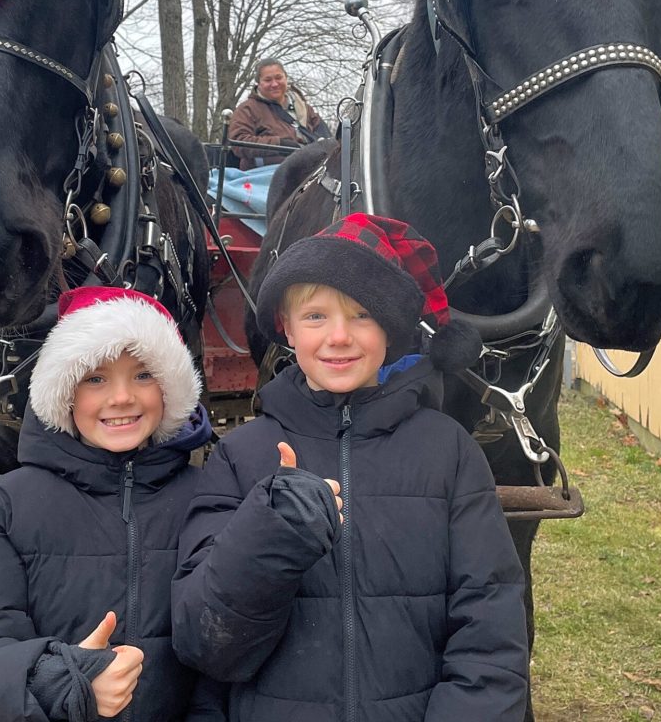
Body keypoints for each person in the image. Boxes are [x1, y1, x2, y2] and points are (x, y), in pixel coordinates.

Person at [172, 213, 530, 722]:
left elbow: (490, 634)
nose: (339, 337)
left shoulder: (449, 455)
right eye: (316, 316)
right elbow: (205, 645)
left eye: (362, 314)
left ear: (392, 329)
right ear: (286, 329)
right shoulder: (241, 457)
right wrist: (268, 536)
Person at [0, 286, 223, 722]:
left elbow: (225, 659)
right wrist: (62, 682)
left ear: (170, 389)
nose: (122, 397)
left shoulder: (208, 498)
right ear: (65, 391)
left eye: (143, 375)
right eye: (96, 378)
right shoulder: (2, 512)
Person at [227, 58, 330, 170]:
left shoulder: (303, 107)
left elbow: (325, 135)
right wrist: (279, 144)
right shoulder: (247, 109)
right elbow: (238, 143)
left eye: (278, 78)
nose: (274, 84)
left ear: (286, 78)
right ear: (259, 83)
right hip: (266, 173)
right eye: (268, 80)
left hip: (310, 168)